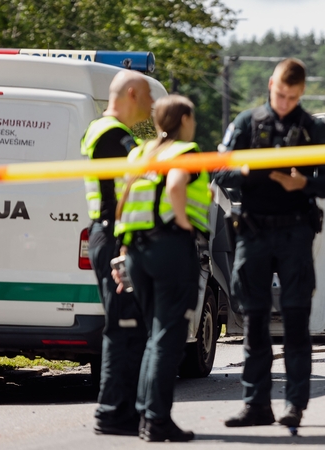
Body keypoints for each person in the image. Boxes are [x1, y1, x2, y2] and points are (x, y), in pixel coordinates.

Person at [215, 58, 325, 428]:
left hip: (294, 232)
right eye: (280, 94)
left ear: (302, 93)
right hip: (253, 232)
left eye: (292, 97)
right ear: (271, 84)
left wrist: (302, 184)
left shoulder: (312, 128)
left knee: (296, 319)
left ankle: (294, 406)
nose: (284, 103)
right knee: (253, 320)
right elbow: (219, 172)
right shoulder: (246, 123)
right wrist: (247, 170)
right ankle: (256, 405)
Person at [113, 94, 211, 442]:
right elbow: (174, 185)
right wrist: (183, 224)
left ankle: (145, 417)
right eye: (193, 118)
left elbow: (123, 203)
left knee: (154, 336)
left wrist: (123, 251)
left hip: (138, 252)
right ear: (184, 119)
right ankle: (157, 420)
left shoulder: (140, 153)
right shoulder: (186, 151)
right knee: (168, 338)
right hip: (170, 248)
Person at [81, 70, 153, 436]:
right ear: (130, 94)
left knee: (126, 325)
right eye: (149, 99)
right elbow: (144, 173)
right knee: (124, 326)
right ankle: (113, 413)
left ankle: (120, 410)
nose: (153, 107)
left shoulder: (101, 129)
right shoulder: (114, 135)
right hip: (114, 238)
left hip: (107, 234)